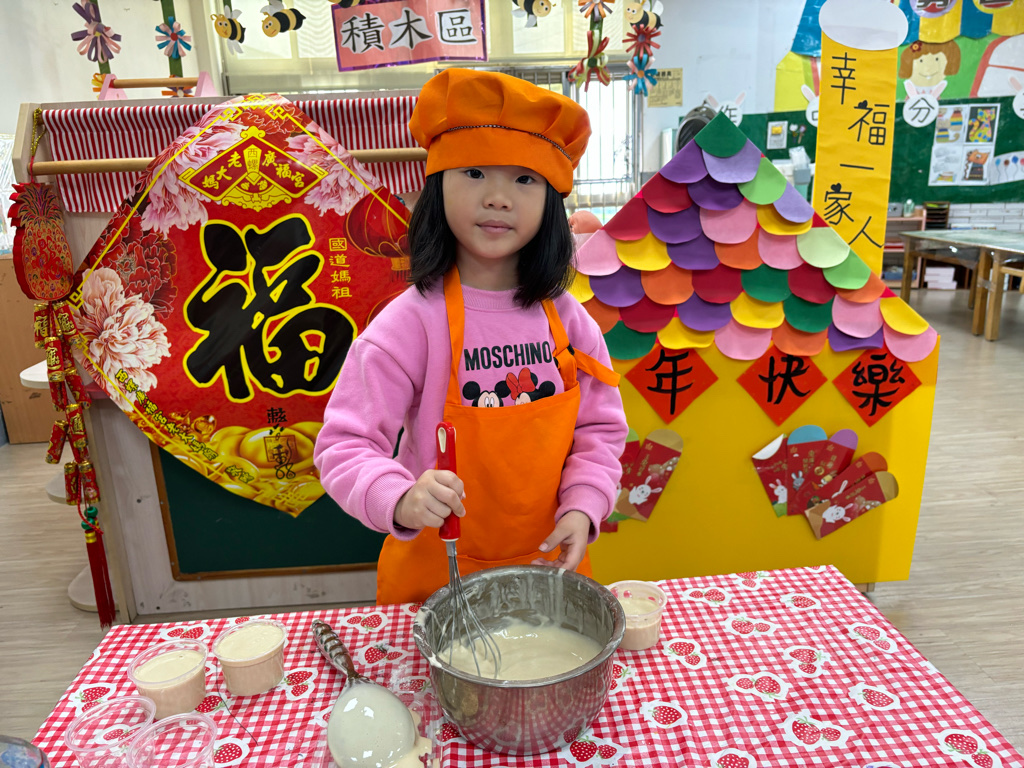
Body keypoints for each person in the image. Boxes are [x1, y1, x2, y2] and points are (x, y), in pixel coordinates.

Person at [313, 69, 629, 605]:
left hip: (550, 570)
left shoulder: (572, 323)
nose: (498, 198)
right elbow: (345, 445)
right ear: (438, 186)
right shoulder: (408, 324)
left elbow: (599, 431)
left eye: (525, 179)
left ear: (552, 201)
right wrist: (400, 497)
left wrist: (584, 504)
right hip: (440, 579)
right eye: (476, 172)